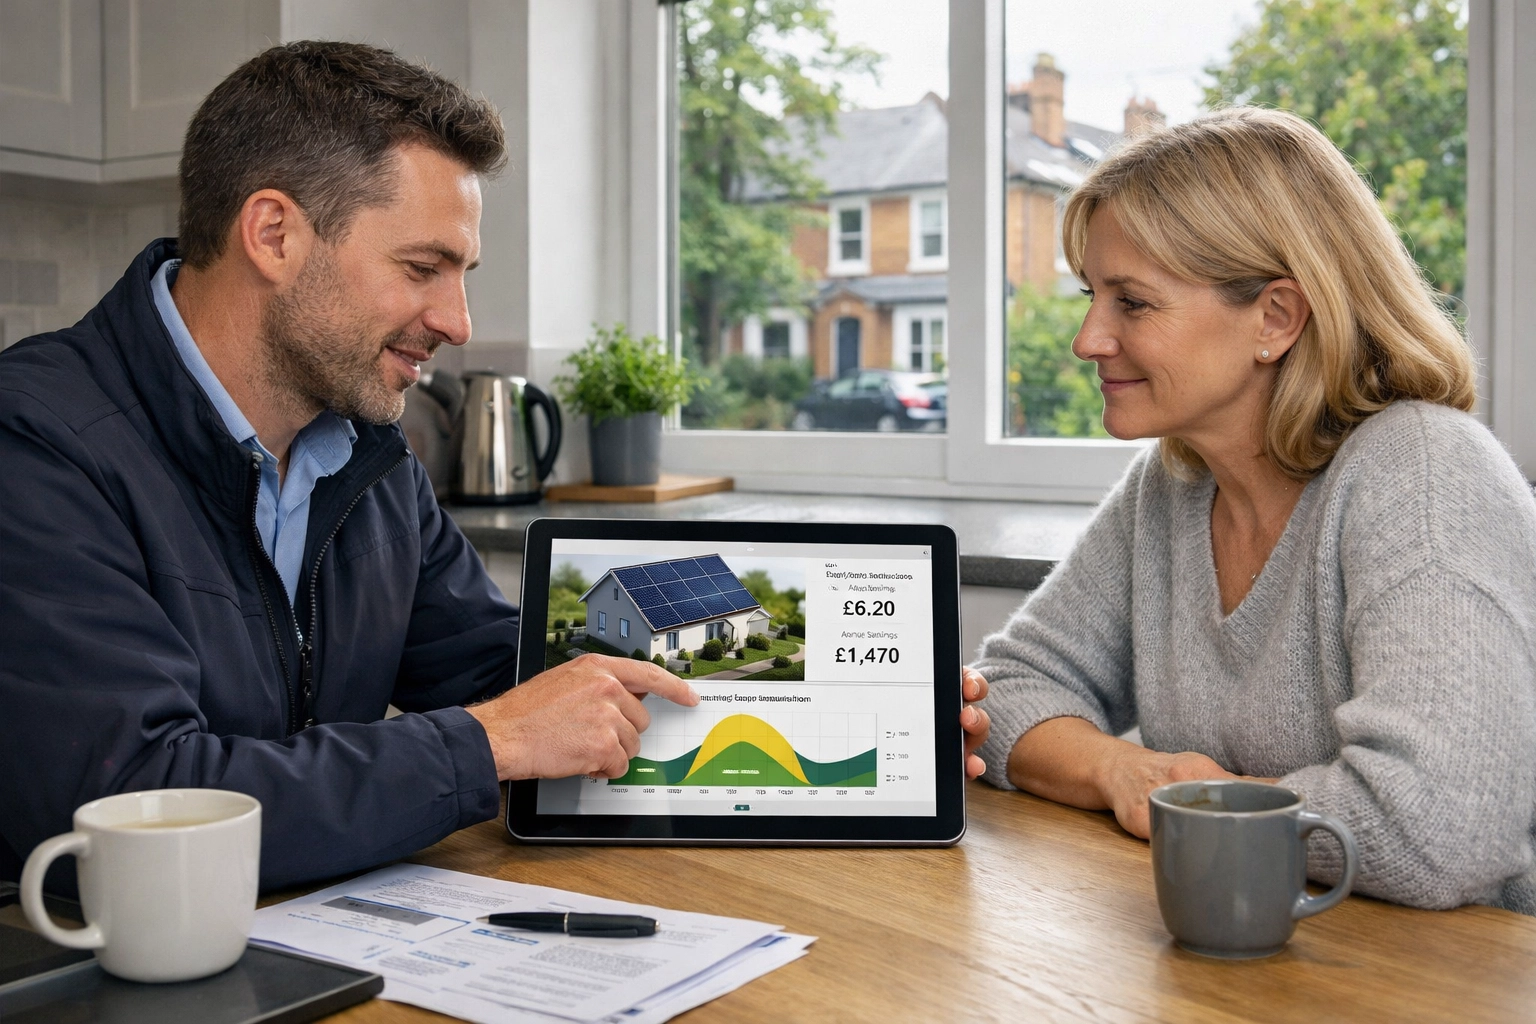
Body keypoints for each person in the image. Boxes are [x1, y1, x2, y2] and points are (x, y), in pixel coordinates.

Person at [970, 107, 1536, 915]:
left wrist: (1205, 804)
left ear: (1275, 317)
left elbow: (1437, 833)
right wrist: (1128, 772)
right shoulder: (1173, 483)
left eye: (1132, 303)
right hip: (1252, 951)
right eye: (1093, 295)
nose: (1088, 339)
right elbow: (1001, 696)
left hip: (1442, 978)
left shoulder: (1426, 471)